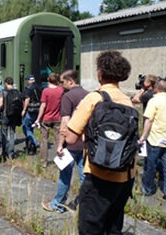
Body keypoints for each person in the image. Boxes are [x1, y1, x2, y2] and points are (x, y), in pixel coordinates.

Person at [64, 51, 136, 234]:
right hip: (125, 176)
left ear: (100, 73)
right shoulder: (128, 102)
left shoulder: (94, 98)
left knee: (90, 228)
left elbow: (71, 138)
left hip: (98, 175)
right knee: (113, 227)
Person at [42, 69, 89, 213]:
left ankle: (58, 204)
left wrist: (60, 144)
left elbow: (65, 122)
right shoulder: (89, 95)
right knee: (84, 176)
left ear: (70, 81)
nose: (61, 85)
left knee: (65, 175)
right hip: (85, 143)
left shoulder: (68, 97)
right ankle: (84, 204)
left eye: (63, 82)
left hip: (71, 143)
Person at [138, 79, 166, 202]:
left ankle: (148, 189)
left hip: (155, 139)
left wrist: (143, 136)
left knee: (150, 165)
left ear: (156, 88)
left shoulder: (154, 101)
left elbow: (149, 120)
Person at [34, 72, 64, 168]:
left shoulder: (45, 91)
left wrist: (38, 119)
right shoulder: (61, 90)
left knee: (44, 140)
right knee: (58, 140)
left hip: (46, 118)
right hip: (58, 118)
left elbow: (43, 105)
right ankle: (59, 161)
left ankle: (44, 162)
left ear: (48, 79)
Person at [0, 77, 21, 160]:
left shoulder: (3, 92)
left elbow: (0, 104)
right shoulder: (17, 92)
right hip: (14, 116)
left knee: (4, 133)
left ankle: (4, 152)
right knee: (12, 133)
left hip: (5, 115)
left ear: (6, 83)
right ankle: (11, 152)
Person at [21, 74, 41, 154]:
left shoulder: (28, 89)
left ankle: (35, 143)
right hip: (38, 110)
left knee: (26, 128)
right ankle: (31, 146)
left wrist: (24, 109)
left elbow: (27, 99)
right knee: (31, 128)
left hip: (30, 110)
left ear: (29, 80)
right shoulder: (39, 88)